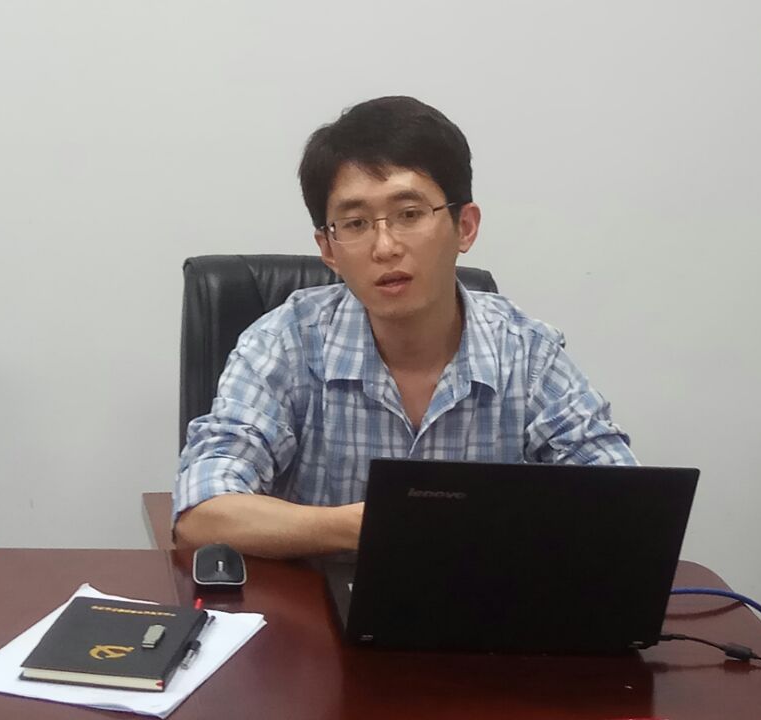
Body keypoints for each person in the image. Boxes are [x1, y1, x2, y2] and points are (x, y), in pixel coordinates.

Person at [173, 96, 636, 558]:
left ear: (465, 226)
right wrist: (375, 524)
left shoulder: (528, 354)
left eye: (409, 214)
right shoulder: (285, 344)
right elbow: (202, 511)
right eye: (355, 223)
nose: (385, 247)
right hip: (319, 601)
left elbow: (626, 504)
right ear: (329, 249)